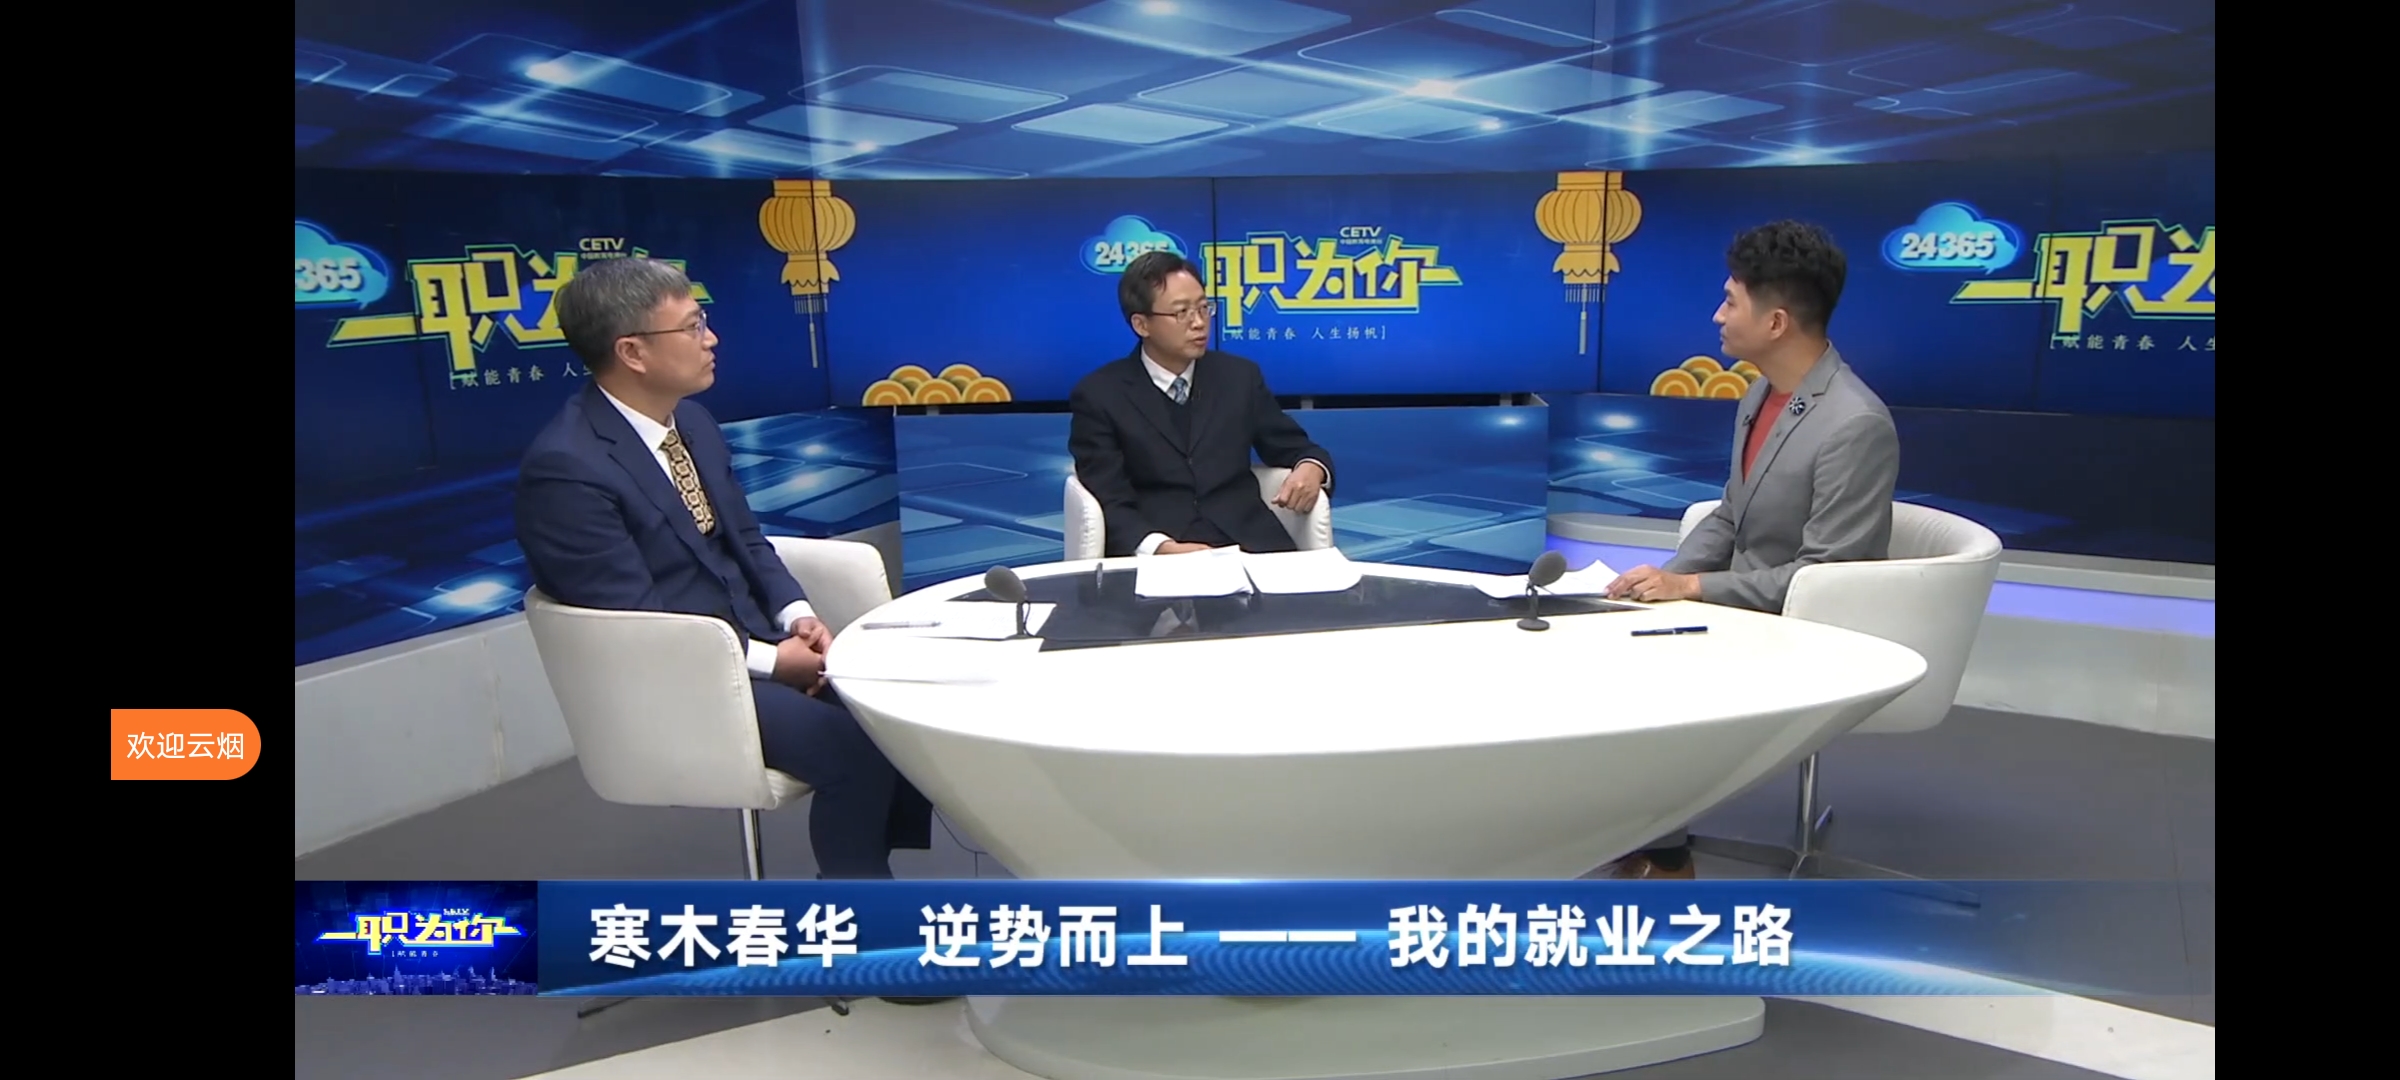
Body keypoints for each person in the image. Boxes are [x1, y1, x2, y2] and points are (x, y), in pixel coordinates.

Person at [513, 256, 934, 881]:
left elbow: (746, 538)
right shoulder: (568, 468)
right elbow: (638, 628)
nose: (711, 339)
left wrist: (796, 615)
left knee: (900, 712)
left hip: (750, 640)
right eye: (691, 327)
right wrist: (772, 663)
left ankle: (863, 867)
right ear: (632, 352)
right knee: (854, 749)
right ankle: (858, 908)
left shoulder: (692, 422)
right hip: (677, 677)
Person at [1601, 220, 1900, 879]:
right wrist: (1661, 581)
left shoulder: (1855, 424)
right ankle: (1636, 827)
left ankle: (1665, 853)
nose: (1718, 315)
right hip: (1740, 608)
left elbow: (1828, 577)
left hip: (1808, 627)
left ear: (1776, 322)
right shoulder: (1761, 392)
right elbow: (1731, 515)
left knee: (1651, 676)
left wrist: (1693, 589)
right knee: (1612, 643)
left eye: (1731, 300)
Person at [1068, 250, 1335, 556]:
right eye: (1181, 312)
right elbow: (1108, 497)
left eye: (1204, 308)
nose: (1199, 323)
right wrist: (1160, 548)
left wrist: (1311, 469)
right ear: (1142, 325)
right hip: (1162, 554)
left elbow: (1297, 448)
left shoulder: (1239, 377)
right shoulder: (1100, 395)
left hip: (1251, 546)